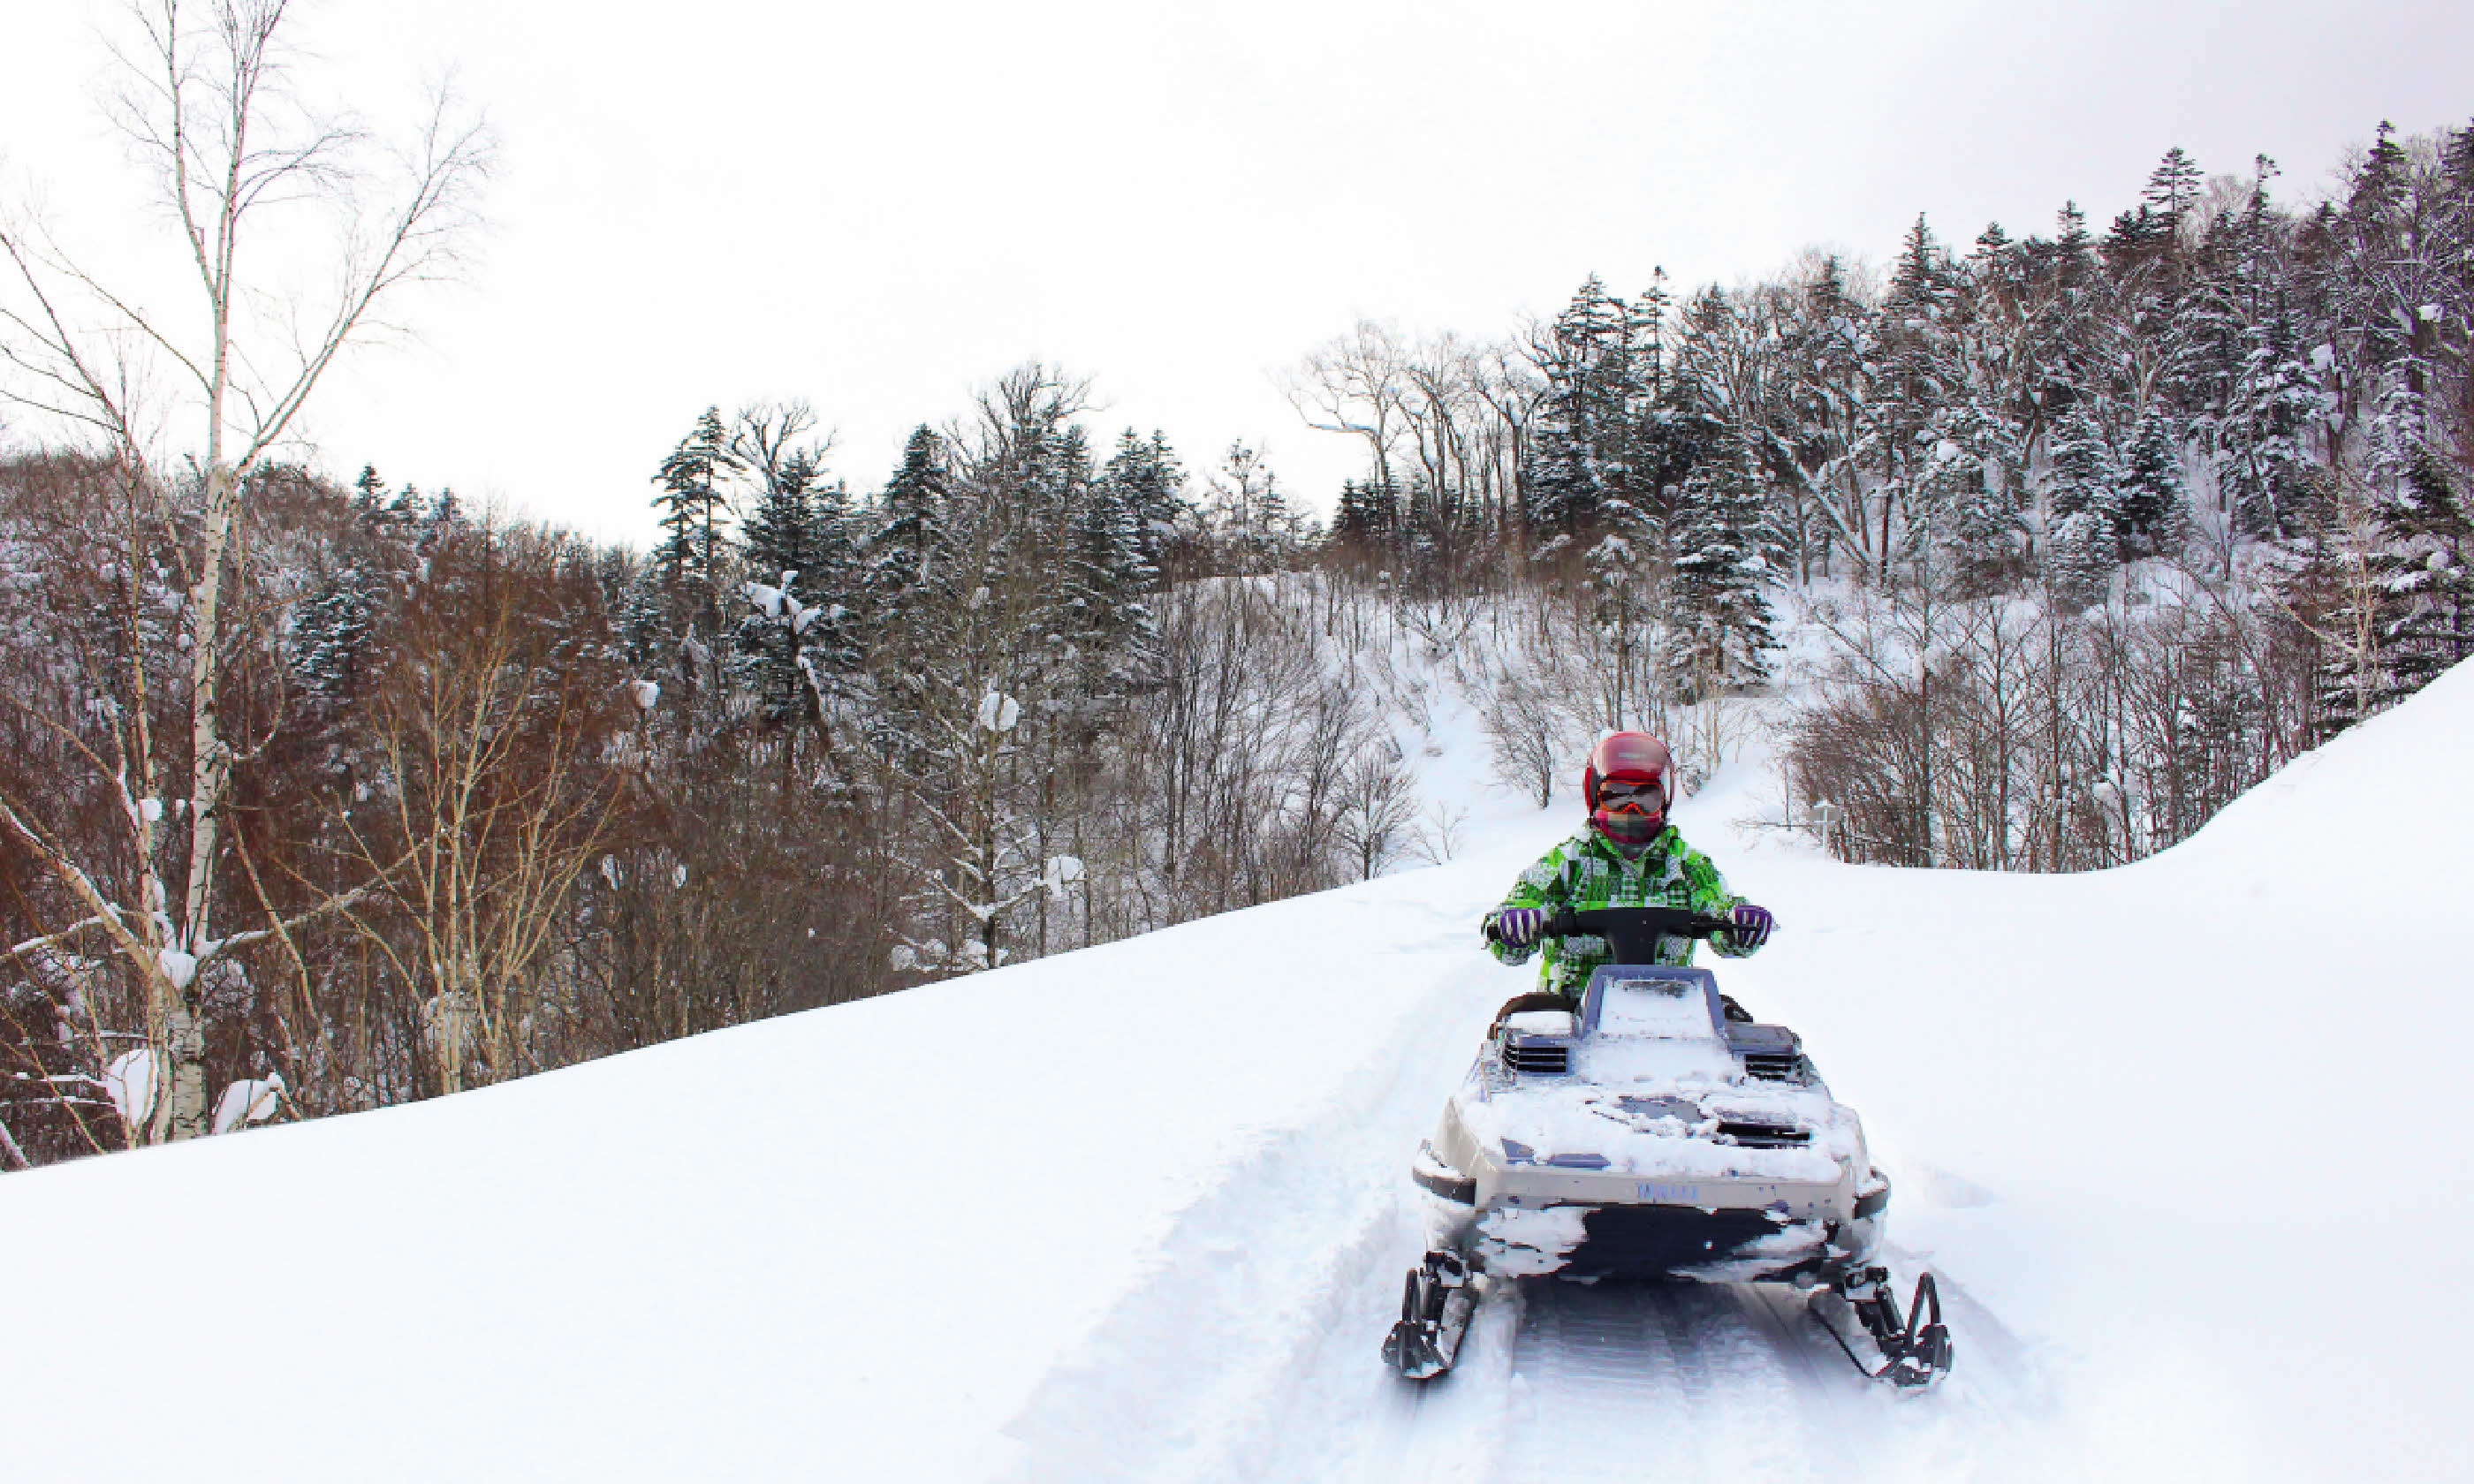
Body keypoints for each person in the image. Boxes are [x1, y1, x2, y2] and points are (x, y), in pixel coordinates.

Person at [1481, 731, 1774, 1006]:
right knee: (1522, 1016)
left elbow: (1719, 908)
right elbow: (1516, 914)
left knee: (1731, 1020)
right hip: (1571, 1010)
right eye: (1617, 797)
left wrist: (1739, 923)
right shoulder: (1568, 861)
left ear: (1664, 801)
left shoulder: (1686, 865)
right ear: (1596, 796)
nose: (1631, 809)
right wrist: (1514, 925)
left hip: (1669, 1007)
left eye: (1645, 798)